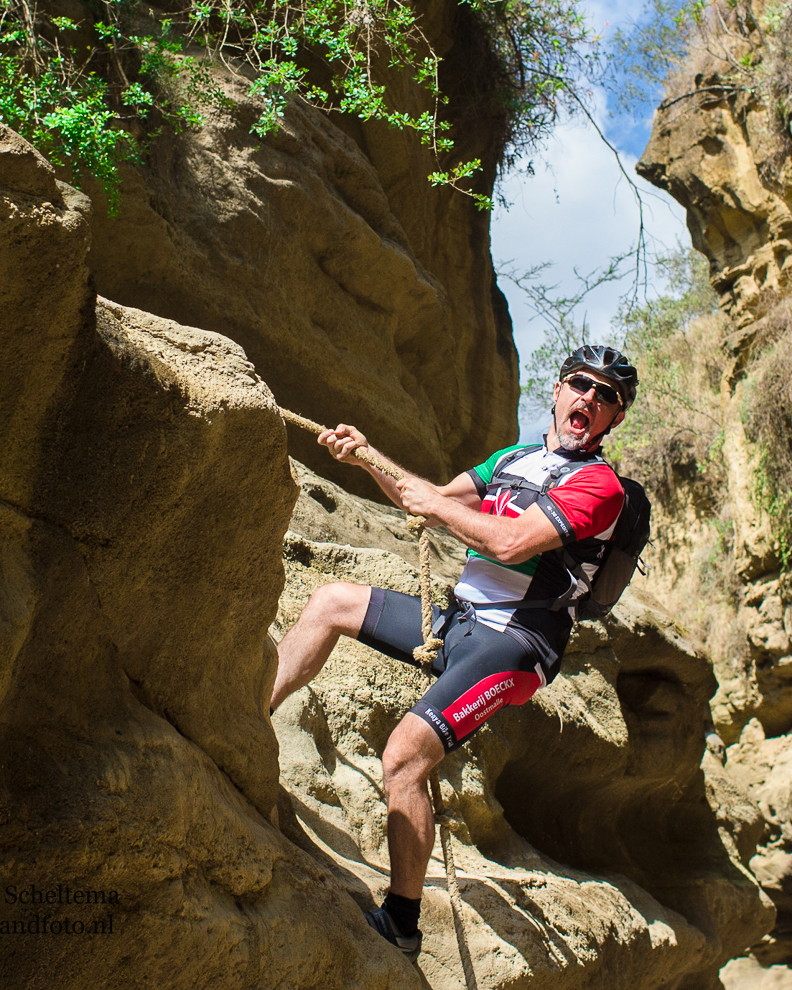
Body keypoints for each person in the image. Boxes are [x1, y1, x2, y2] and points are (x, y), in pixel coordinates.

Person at [270, 345, 638, 956]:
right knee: (331, 602)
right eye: (581, 385)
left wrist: (437, 505)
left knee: (403, 757)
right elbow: (427, 499)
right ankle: (249, 715)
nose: (590, 400)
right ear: (558, 390)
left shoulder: (600, 486)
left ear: (613, 421)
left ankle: (403, 923)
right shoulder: (512, 458)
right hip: (459, 622)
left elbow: (516, 542)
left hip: (516, 645)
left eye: (607, 398)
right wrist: (366, 457)